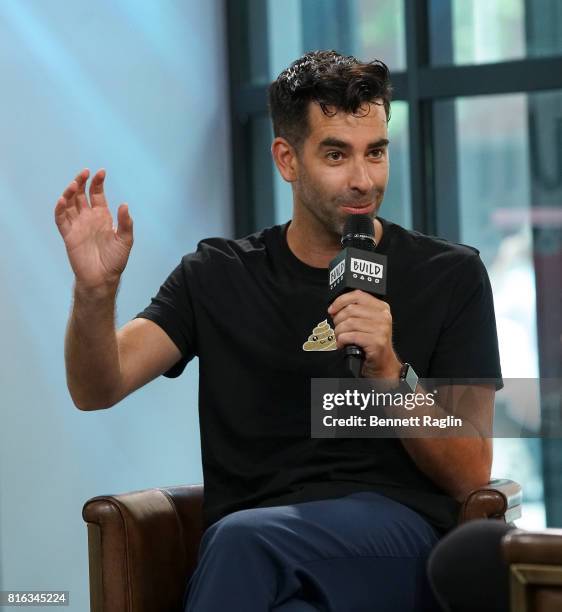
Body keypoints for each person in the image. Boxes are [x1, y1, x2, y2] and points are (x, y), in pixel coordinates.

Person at [55, 50, 503, 611]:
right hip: (254, 552)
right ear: (287, 160)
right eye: (336, 155)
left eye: (376, 153)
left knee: (245, 542)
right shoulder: (218, 275)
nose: (363, 179)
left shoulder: (450, 275)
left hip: (394, 542)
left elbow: (471, 473)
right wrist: (94, 295)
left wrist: (390, 373)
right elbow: (97, 387)